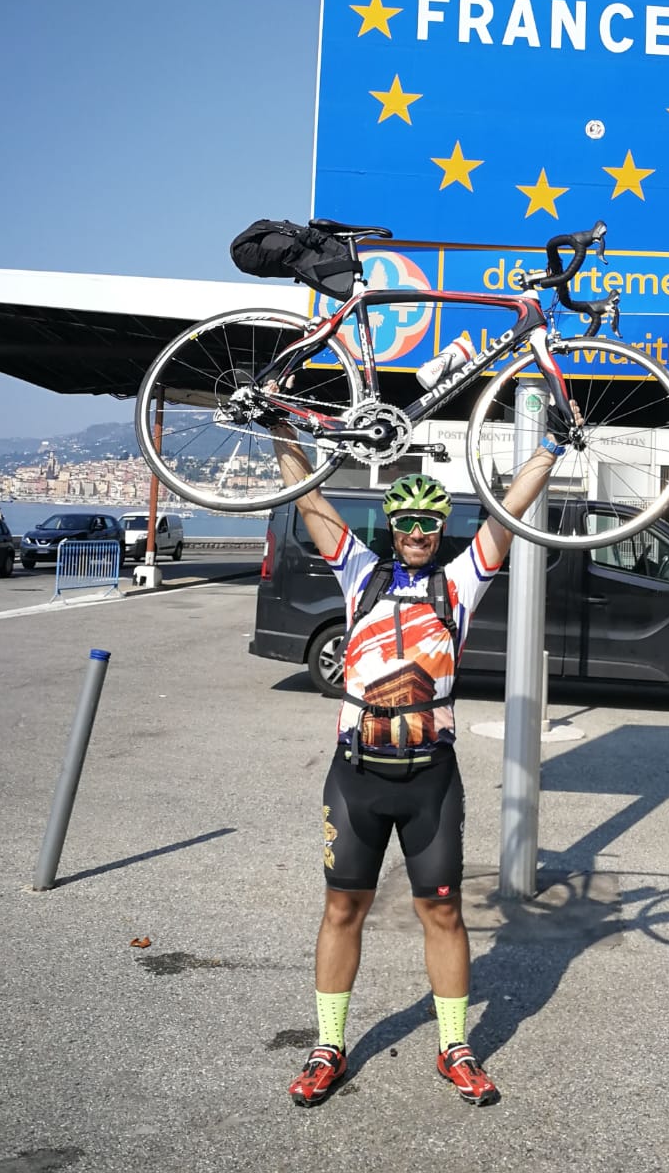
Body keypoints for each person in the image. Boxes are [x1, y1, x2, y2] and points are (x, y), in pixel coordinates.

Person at [268, 409, 573, 1111]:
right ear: (389, 527)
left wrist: (550, 447)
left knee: (443, 914)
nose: (415, 533)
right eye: (403, 523)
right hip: (356, 778)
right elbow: (308, 498)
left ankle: (455, 1048)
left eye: (427, 524)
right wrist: (282, 431)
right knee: (343, 908)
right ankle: (328, 1047)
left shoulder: (459, 585)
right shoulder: (359, 575)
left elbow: (509, 511)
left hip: (431, 781)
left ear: (440, 530)